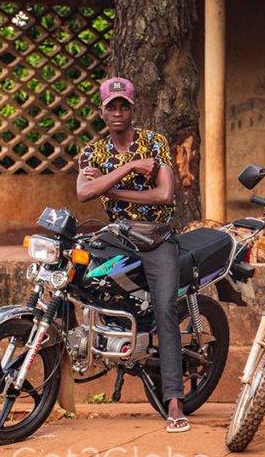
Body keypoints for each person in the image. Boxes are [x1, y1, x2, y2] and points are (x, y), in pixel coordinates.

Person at [75, 77, 191, 433]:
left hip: (155, 239)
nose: (118, 112)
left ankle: (174, 400)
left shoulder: (154, 142)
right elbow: (83, 193)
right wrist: (126, 170)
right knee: (71, 269)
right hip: (118, 236)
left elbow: (165, 194)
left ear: (133, 108)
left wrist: (110, 188)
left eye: (124, 105)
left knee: (165, 309)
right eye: (112, 106)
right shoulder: (93, 151)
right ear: (102, 111)